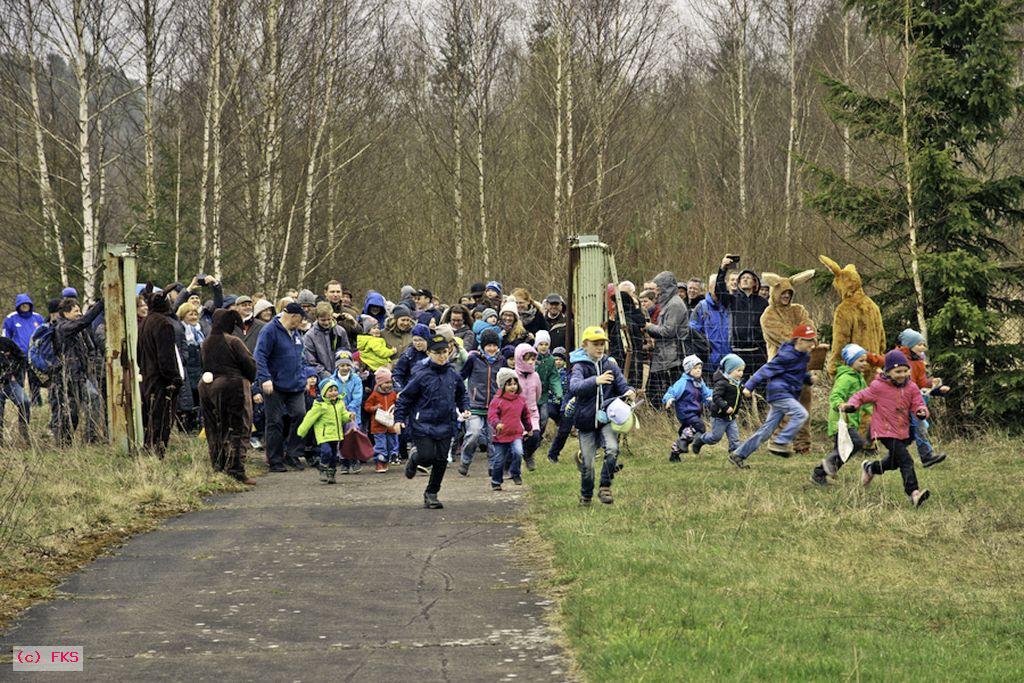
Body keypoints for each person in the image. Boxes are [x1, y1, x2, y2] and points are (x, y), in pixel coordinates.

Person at [841, 349, 931, 507]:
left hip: (903, 430)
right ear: (888, 371)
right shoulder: (878, 387)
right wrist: (851, 405)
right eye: (897, 371)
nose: (902, 374)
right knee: (906, 460)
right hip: (884, 430)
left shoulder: (911, 387)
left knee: (895, 462)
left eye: (905, 371)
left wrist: (921, 411)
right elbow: (861, 396)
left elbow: (918, 403)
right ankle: (914, 493)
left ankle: (871, 467)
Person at [395, 333, 470, 509]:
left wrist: (464, 407)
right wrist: (399, 419)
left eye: (444, 351)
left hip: (446, 423)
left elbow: (461, 393)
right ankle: (415, 457)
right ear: (429, 353)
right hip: (423, 424)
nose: (442, 356)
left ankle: (431, 493)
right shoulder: (420, 374)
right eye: (437, 352)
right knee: (427, 457)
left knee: (441, 460)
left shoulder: (453, 373)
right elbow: (405, 398)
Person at [728, 325, 817, 468]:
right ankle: (781, 441)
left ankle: (738, 454)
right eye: (809, 340)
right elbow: (766, 370)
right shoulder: (786, 355)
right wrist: (749, 386)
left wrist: (808, 378)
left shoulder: (803, 356)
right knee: (801, 414)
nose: (812, 344)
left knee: (766, 431)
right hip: (780, 393)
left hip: (788, 394)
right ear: (799, 341)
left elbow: (798, 372)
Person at [569, 326, 635, 506]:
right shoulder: (579, 366)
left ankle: (605, 486)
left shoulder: (609, 364)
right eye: (595, 344)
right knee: (588, 464)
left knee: (612, 449)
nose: (600, 348)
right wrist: (595, 381)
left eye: (602, 345)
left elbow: (623, 385)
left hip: (607, 418)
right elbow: (574, 387)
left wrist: (630, 392)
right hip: (586, 420)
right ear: (585, 345)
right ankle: (586, 496)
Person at [199, 309, 257, 485]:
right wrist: (249, 378)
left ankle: (218, 466)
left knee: (214, 428)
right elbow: (249, 364)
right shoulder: (234, 341)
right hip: (232, 386)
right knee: (237, 427)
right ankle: (236, 470)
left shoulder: (205, 342)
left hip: (207, 386)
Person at [255, 302, 315, 472]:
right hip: (274, 385)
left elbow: (300, 358)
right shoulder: (269, 330)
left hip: (295, 384)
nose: (301, 323)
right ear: (293, 317)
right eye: (300, 319)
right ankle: (274, 460)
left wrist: (304, 377)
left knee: (301, 415)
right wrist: (265, 378)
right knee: (274, 422)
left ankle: (292, 453)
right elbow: (259, 355)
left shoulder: (296, 333)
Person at [810, 344, 872, 486]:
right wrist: (841, 405)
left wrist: (876, 411)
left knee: (841, 449)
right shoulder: (846, 378)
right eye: (860, 360)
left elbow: (865, 399)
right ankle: (828, 464)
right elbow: (835, 395)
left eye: (865, 360)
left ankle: (819, 475)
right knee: (855, 444)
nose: (864, 363)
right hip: (841, 420)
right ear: (850, 361)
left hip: (850, 420)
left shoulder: (858, 378)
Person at [51, 298, 104, 445]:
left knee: (94, 398)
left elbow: (90, 347)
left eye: (80, 310)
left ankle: (90, 438)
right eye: (76, 311)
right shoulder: (63, 328)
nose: (80, 314)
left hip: (81, 375)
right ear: (66, 313)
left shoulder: (78, 329)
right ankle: (64, 442)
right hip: (67, 378)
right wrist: (101, 304)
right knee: (72, 412)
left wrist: (90, 364)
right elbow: (84, 322)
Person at [138, 291, 183, 458]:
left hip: (147, 378)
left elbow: (138, 354)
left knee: (150, 418)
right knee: (161, 420)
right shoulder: (164, 324)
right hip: (161, 381)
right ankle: (157, 454)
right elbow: (166, 357)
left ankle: (149, 452)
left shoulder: (145, 323)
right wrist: (174, 379)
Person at [896, 328, 948, 467]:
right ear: (909, 345)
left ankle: (895, 456)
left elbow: (921, 383)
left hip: (915, 401)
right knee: (919, 426)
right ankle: (926, 456)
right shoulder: (900, 360)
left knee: (916, 429)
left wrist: (934, 385)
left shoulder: (918, 361)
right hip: (904, 402)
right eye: (919, 344)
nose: (923, 347)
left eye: (923, 344)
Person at [715, 255, 769, 384]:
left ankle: (762, 405)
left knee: (761, 386)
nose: (745, 280)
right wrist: (722, 270)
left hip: (758, 351)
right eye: (742, 278)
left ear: (755, 282)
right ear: (739, 283)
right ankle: (744, 405)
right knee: (739, 387)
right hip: (739, 351)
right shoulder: (732, 300)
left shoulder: (763, 303)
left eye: (748, 278)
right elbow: (719, 291)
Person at [457, 328, 502, 477]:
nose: (492, 349)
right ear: (482, 346)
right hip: (474, 404)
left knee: (493, 438)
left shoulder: (500, 361)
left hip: (494, 406)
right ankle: (465, 461)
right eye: (488, 345)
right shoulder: (473, 359)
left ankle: (493, 466)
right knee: (473, 434)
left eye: (494, 345)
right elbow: (462, 376)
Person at [296, 377, 353, 484]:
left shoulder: (339, 403)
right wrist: (302, 431)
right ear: (324, 392)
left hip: (336, 434)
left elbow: (343, 415)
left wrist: (349, 416)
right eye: (330, 391)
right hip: (324, 435)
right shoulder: (320, 406)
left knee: (333, 456)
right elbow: (309, 418)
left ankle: (331, 473)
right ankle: (322, 467)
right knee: (326, 452)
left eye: (335, 390)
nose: (334, 393)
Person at [644, 271, 688, 399]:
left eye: (658, 289)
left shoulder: (675, 304)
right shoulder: (668, 303)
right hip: (664, 356)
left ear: (665, 288)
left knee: (669, 393)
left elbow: (668, 331)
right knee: (655, 392)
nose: (656, 293)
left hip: (671, 358)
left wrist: (649, 327)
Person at [487, 367, 531, 490]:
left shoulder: (520, 400)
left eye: (514, 384)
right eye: (509, 384)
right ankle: (496, 481)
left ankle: (515, 473)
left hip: (516, 433)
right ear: (502, 386)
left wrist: (529, 428)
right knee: (499, 460)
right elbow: (492, 415)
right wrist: (497, 424)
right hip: (501, 436)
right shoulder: (497, 401)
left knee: (518, 452)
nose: (513, 387)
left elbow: (525, 415)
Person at [662, 354, 712, 461]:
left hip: (694, 412)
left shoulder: (699, 382)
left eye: (700, 368)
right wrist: (669, 399)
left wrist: (712, 397)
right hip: (685, 412)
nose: (698, 370)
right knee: (700, 426)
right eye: (695, 368)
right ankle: (686, 442)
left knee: (688, 434)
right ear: (688, 369)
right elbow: (672, 391)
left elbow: (706, 393)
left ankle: (675, 454)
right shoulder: (682, 383)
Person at [692, 354, 745, 455]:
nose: (741, 373)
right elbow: (716, 397)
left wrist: (747, 391)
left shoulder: (737, 383)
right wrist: (725, 407)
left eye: (742, 370)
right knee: (715, 438)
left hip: (731, 417)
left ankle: (735, 454)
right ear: (729, 370)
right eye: (738, 371)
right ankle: (700, 440)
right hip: (719, 417)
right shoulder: (722, 383)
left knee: (735, 438)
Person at [3, 293, 44, 405]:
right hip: (18, 357)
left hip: (34, 355)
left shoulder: (38, 317)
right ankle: (20, 401)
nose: (25, 307)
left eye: (27, 305)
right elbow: (6, 337)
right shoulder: (11, 318)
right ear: (18, 305)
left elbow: (44, 333)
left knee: (34, 379)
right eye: (22, 305)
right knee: (19, 379)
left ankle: (36, 402)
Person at [688, 274, 731, 369]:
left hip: (729, 362)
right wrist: (705, 350)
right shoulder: (701, 307)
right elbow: (693, 332)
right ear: (709, 288)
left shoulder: (730, 306)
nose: (717, 289)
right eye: (714, 286)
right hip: (708, 362)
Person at [303, 301, 351, 381]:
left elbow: (346, 352)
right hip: (322, 378)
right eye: (323, 320)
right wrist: (326, 375)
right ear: (317, 318)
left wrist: (342, 371)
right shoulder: (309, 336)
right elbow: (311, 361)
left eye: (329, 319)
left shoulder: (340, 331)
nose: (326, 323)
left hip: (342, 374)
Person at [176, 302, 205, 432]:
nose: (193, 317)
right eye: (190, 314)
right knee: (189, 397)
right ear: (183, 315)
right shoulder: (181, 329)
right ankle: (187, 426)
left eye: (195, 314)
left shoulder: (199, 331)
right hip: (187, 369)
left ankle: (197, 424)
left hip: (199, 369)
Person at [514, 343, 543, 471]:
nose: (531, 362)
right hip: (516, 414)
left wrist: (532, 406)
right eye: (527, 359)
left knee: (535, 436)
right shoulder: (513, 376)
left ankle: (529, 454)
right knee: (517, 441)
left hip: (531, 412)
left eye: (533, 359)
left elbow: (538, 393)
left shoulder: (535, 376)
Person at [364, 366, 399, 471]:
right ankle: (379, 462)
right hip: (378, 426)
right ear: (379, 383)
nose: (388, 385)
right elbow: (367, 406)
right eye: (385, 383)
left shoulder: (393, 394)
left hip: (390, 425)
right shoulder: (375, 395)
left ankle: (385, 461)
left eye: (389, 382)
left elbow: (398, 405)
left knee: (390, 444)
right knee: (381, 445)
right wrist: (374, 408)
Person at [0, 336, 30, 443]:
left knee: (25, 401)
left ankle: (23, 433)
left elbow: (21, 357)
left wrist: (13, 374)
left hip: (9, 382)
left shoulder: (5, 342)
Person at [534, 330, 563, 437]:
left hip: (544, 394)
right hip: (531, 394)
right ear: (536, 344)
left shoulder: (551, 360)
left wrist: (558, 392)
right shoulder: (531, 357)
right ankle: (532, 437)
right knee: (532, 416)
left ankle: (539, 436)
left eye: (546, 344)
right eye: (541, 344)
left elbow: (553, 376)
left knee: (544, 417)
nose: (543, 347)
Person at [393, 323, 431, 389]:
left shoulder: (435, 353)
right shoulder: (408, 355)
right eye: (415, 340)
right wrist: (400, 390)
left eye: (420, 340)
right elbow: (397, 375)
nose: (417, 343)